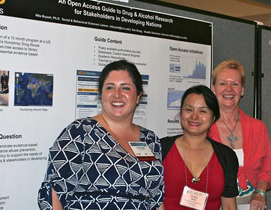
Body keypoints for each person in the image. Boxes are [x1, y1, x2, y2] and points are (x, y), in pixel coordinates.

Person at [38, 60, 164, 210]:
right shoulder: (80, 132)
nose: (117, 95)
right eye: (110, 87)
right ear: (101, 94)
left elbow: (156, 199)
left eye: (125, 88)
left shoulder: (150, 140)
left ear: (137, 97)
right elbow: (54, 194)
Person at [161, 85, 239, 210]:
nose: (194, 117)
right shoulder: (160, 148)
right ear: (181, 113)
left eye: (202, 111)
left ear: (213, 118)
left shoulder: (226, 156)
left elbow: (229, 206)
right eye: (189, 109)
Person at [208, 59, 271, 210]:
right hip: (214, 204)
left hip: (250, 205)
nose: (228, 89)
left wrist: (260, 193)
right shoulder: (204, 129)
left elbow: (265, 171)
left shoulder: (258, 128)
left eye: (235, 84)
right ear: (213, 89)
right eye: (223, 83)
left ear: (242, 90)